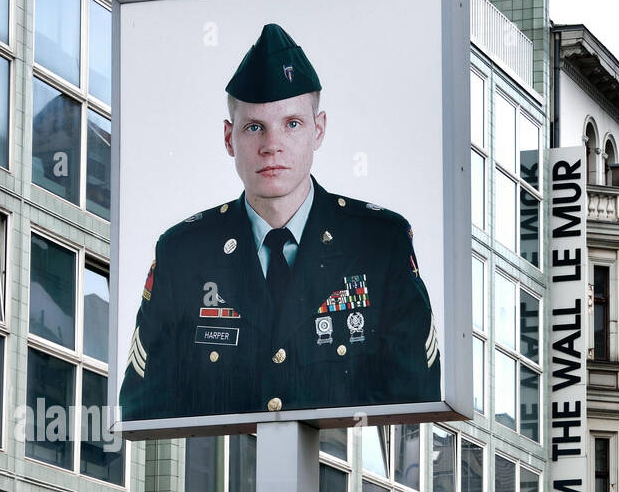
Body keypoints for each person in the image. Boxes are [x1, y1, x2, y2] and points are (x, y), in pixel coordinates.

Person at [120, 24, 441, 424]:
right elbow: (143, 410)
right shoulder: (183, 253)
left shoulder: (379, 244)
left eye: (292, 123)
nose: (272, 144)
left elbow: (416, 405)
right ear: (228, 138)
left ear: (318, 130)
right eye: (255, 127)